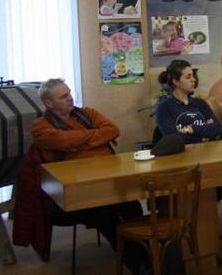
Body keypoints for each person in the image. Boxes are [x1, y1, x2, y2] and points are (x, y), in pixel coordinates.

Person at [27, 79, 148, 275]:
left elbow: (112, 130)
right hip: (76, 191)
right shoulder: (40, 126)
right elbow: (60, 141)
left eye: (69, 93)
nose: (70, 98)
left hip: (109, 178)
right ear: (49, 103)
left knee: (131, 205)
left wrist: (76, 142)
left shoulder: (88, 113)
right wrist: (94, 135)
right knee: (106, 217)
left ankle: (146, 254)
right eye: (63, 96)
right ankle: (142, 265)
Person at [156, 60, 222, 144]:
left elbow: (217, 128)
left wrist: (192, 129)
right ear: (176, 82)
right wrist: (201, 138)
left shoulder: (201, 103)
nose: (193, 80)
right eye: (188, 77)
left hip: (206, 152)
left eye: (193, 76)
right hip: (180, 154)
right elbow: (172, 137)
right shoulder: (164, 107)